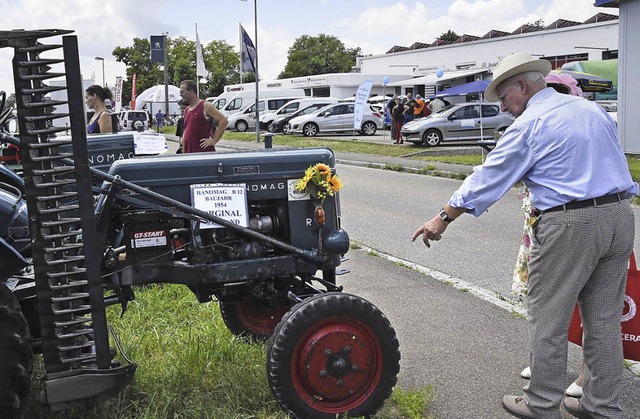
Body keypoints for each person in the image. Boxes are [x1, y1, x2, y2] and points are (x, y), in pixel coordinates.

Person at [411, 52, 636, 419]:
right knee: (605, 319)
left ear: (523, 85)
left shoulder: (531, 123)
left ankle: (541, 404)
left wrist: (443, 218)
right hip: (619, 214)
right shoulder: (590, 110)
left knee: (548, 317)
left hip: (569, 222)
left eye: (503, 97)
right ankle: (603, 405)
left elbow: (489, 177)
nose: (503, 107)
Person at [513, 74, 586, 399]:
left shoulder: (577, 124)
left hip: (572, 222)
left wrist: (446, 215)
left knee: (583, 307)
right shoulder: (540, 124)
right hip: (541, 223)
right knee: (540, 300)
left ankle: (583, 376)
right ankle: (544, 366)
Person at [179, 80, 228, 153]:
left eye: (182, 92)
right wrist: (184, 150)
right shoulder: (187, 110)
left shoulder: (205, 106)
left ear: (191, 91)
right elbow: (186, 131)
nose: (181, 95)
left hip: (203, 153)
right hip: (189, 153)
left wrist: (214, 140)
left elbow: (223, 121)